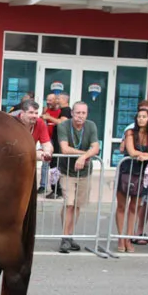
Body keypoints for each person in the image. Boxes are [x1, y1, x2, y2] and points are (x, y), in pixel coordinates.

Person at [116, 108, 148, 253]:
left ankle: (128, 238)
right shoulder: (130, 132)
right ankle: (120, 237)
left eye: (144, 117)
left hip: (143, 173)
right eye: (139, 117)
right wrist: (143, 154)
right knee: (122, 206)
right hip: (127, 169)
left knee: (135, 206)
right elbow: (131, 151)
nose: (141, 119)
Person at [56, 101, 100, 253]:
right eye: (77, 113)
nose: (80, 116)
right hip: (67, 171)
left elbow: (96, 147)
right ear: (72, 113)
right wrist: (85, 154)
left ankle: (69, 235)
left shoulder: (91, 126)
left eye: (83, 113)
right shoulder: (63, 125)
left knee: (77, 205)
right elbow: (64, 148)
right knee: (69, 203)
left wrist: (83, 158)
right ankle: (65, 237)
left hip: (85, 172)